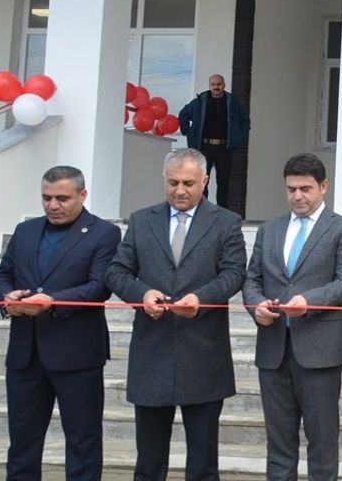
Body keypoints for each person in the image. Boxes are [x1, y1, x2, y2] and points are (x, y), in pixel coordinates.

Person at [105, 148, 247, 481]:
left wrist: (202, 297)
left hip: (204, 354)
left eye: (188, 183)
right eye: (172, 183)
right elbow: (116, 272)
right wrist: (143, 295)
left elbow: (234, 273)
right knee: (149, 462)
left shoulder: (226, 222)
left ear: (205, 181)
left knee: (202, 463)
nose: (180, 191)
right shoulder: (142, 220)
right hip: (152, 352)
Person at [0, 166, 121, 481]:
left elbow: (99, 287)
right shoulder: (26, 231)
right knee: (22, 446)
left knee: (83, 443)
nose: (53, 205)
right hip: (25, 354)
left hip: (77, 355)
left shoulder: (104, 233)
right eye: (46, 198)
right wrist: (7, 297)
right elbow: (2, 275)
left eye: (62, 198)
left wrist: (52, 301)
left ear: (82, 195)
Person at [242, 153, 342, 481]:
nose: (297, 196)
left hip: (320, 350)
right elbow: (251, 279)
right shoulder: (269, 230)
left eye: (305, 189)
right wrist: (257, 307)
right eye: (291, 189)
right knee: (278, 443)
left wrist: (307, 302)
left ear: (323, 187)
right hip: (273, 348)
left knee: (322, 443)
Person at [177, 73, 250, 213]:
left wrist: (239, 137)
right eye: (213, 84)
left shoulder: (232, 102)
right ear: (209, 85)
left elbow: (245, 121)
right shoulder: (200, 101)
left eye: (219, 84)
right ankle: (202, 211)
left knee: (223, 182)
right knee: (202, 181)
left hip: (224, 148)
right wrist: (187, 131)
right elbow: (183, 114)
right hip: (204, 147)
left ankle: (222, 213)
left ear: (224, 85)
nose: (216, 87)